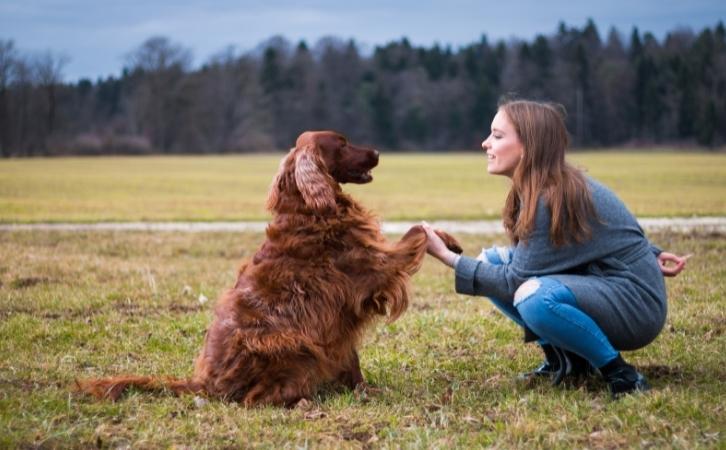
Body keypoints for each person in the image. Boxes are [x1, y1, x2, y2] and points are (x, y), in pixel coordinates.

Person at [421, 99, 689, 398]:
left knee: (533, 295)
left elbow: (514, 281)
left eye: (497, 136)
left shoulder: (550, 197)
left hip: (636, 307)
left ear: (528, 146)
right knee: (491, 259)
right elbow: (601, 233)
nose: (485, 143)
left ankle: (620, 374)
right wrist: (653, 252)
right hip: (605, 283)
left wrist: (447, 257)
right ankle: (567, 360)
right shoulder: (546, 186)